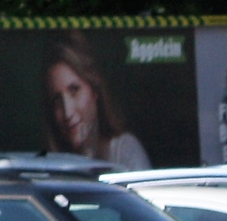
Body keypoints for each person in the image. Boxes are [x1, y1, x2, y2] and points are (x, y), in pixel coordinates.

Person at [41, 33, 150, 169]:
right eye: (57, 100)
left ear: (94, 90)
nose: (67, 113)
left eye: (74, 90)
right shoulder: (49, 165)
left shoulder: (124, 151)